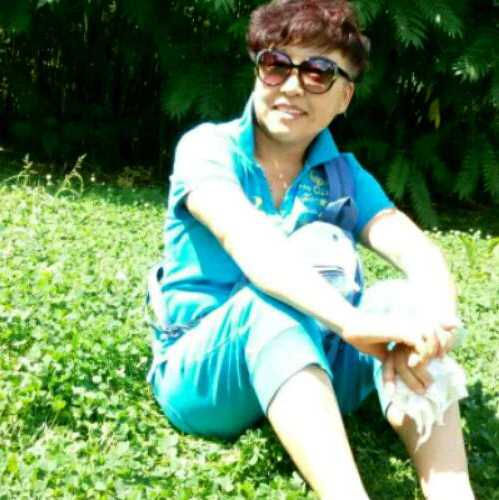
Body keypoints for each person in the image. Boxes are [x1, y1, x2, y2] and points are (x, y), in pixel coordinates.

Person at [147, 1, 475, 498]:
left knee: (405, 303)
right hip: (204, 373)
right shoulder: (209, 148)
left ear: (345, 96)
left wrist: (437, 329)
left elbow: (419, 253)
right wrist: (351, 321)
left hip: (314, 361)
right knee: (267, 306)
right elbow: (251, 244)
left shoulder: (344, 174)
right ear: (259, 73)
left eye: (318, 72)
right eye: (276, 64)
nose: (292, 85)